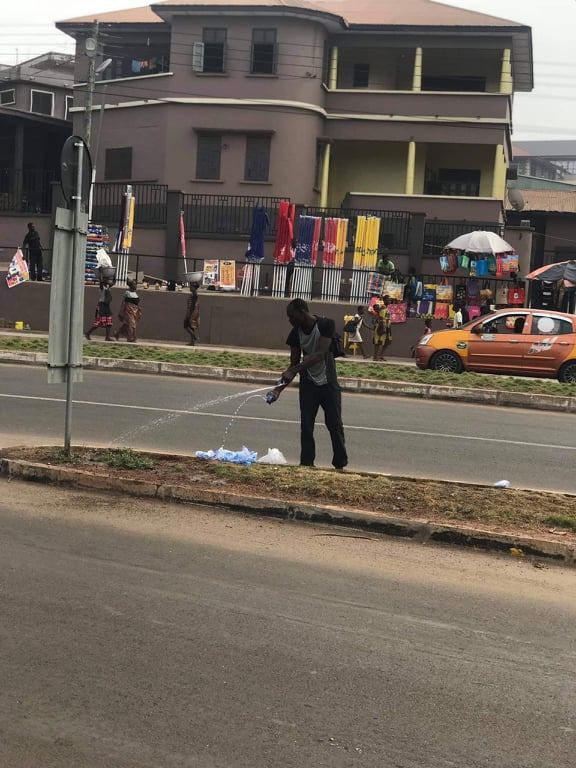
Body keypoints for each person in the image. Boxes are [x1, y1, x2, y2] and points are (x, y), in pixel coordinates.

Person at [267, 298, 348, 471]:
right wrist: (277, 390)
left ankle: (340, 464)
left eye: (291, 316)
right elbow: (292, 366)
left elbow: (319, 354)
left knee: (334, 424)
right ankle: (306, 464)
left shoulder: (326, 325)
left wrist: (294, 369)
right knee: (306, 425)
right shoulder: (295, 333)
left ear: (302, 312)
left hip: (328, 383)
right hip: (308, 385)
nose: (290, 320)